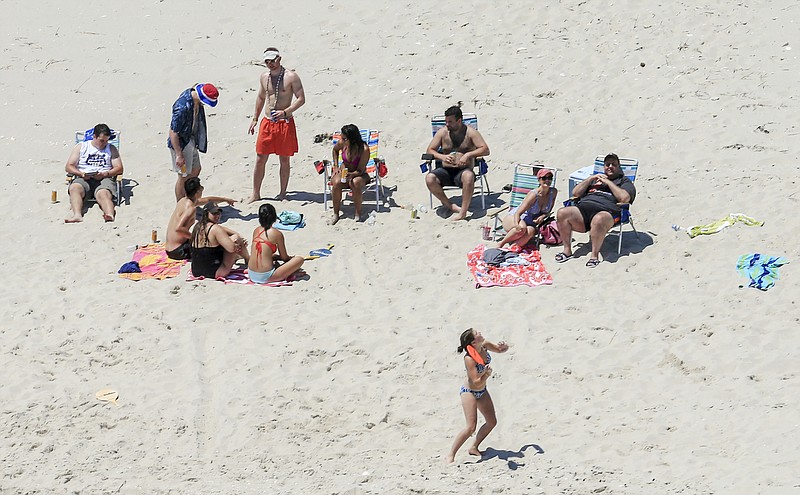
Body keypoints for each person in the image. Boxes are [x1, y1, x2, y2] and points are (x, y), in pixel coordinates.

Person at [555, 153, 636, 267]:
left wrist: (608, 182)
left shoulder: (624, 181)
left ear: (618, 167)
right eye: (607, 164)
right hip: (583, 210)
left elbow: (624, 198)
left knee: (598, 219)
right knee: (562, 213)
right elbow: (575, 193)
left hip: (607, 213)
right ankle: (567, 251)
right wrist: (590, 179)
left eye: (614, 164)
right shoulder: (594, 180)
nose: (610, 167)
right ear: (604, 167)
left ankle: (594, 256)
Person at [248, 47, 306, 203]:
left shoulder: (291, 77)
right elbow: (261, 97)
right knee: (260, 158)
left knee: (284, 159)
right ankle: (255, 193)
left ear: (279, 59)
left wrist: (286, 112)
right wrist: (254, 118)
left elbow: (301, 99)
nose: (270, 64)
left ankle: (282, 193)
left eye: (272, 61)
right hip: (267, 122)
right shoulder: (264, 77)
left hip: (284, 122)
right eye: (267, 61)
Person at [447, 328, 509, 464]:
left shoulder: (485, 345)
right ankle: (450, 455)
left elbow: (499, 350)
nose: (480, 333)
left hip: (482, 391)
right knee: (471, 427)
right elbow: (475, 380)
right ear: (473, 342)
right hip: (469, 392)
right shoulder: (469, 358)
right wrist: (486, 375)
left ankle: (474, 447)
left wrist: (504, 348)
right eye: (477, 333)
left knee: (492, 422)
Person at [425, 105, 490, 221]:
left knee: (469, 176)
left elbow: (485, 149)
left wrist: (468, 155)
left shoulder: (471, 133)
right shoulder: (442, 133)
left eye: (450, 122)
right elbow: (430, 150)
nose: (447, 124)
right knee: (429, 178)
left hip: (463, 171)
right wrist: (442, 157)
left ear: (459, 120)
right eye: (446, 121)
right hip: (446, 171)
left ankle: (463, 212)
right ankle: (450, 206)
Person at [168, 83, 219, 201]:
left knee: (196, 169)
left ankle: (188, 196)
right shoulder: (182, 107)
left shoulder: (194, 98)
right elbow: (173, 132)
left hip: (190, 140)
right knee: (182, 176)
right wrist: (179, 155)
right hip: (181, 144)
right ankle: (181, 204)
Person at [165, 177, 236, 261]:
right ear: (197, 192)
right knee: (214, 245)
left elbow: (208, 200)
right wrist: (194, 237)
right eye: (201, 188)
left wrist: (225, 200)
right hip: (179, 250)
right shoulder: (190, 208)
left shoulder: (183, 200)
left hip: (170, 248)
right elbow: (178, 228)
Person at [64, 123, 123, 223]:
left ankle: (109, 214)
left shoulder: (111, 148)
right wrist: (81, 174)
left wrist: (106, 174)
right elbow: (69, 166)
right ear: (94, 136)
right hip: (84, 176)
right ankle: (77, 215)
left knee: (103, 193)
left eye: (106, 140)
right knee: (74, 188)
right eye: (102, 140)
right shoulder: (82, 147)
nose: (104, 143)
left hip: (104, 177)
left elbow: (119, 168)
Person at [497, 168, 558, 248]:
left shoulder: (553, 192)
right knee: (522, 228)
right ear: (539, 180)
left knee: (531, 231)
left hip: (530, 223)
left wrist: (542, 216)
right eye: (544, 178)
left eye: (549, 178)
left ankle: (511, 248)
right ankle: (501, 243)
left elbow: (548, 211)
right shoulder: (533, 195)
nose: (547, 180)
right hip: (514, 218)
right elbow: (517, 213)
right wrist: (516, 225)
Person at [189, 202, 249, 279]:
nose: (217, 216)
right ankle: (248, 260)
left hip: (196, 271)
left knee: (231, 240)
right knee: (235, 239)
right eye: (214, 213)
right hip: (215, 272)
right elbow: (232, 248)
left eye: (219, 213)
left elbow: (223, 230)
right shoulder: (215, 229)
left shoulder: (197, 227)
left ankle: (240, 256)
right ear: (206, 213)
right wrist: (239, 244)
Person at [248, 203, 305, 284]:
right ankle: (288, 272)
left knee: (270, 255)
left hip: (251, 274)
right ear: (274, 217)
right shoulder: (277, 234)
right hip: (266, 277)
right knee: (299, 259)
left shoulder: (256, 230)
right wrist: (290, 260)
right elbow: (284, 257)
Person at [329, 124, 371, 224]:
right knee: (336, 182)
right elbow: (335, 150)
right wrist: (335, 166)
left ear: (352, 139)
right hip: (345, 172)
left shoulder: (364, 149)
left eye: (344, 138)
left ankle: (358, 213)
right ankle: (336, 214)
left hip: (360, 175)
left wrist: (352, 175)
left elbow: (360, 170)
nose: (342, 140)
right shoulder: (342, 143)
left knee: (355, 182)